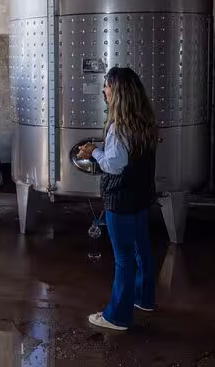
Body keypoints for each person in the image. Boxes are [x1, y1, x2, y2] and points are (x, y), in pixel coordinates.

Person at [77, 67, 157, 331]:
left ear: (118, 92)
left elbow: (113, 164)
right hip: (140, 196)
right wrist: (101, 150)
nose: (104, 90)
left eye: (107, 86)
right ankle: (144, 299)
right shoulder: (144, 120)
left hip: (120, 200)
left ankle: (117, 317)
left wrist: (94, 153)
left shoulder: (119, 126)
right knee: (141, 249)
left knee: (123, 258)